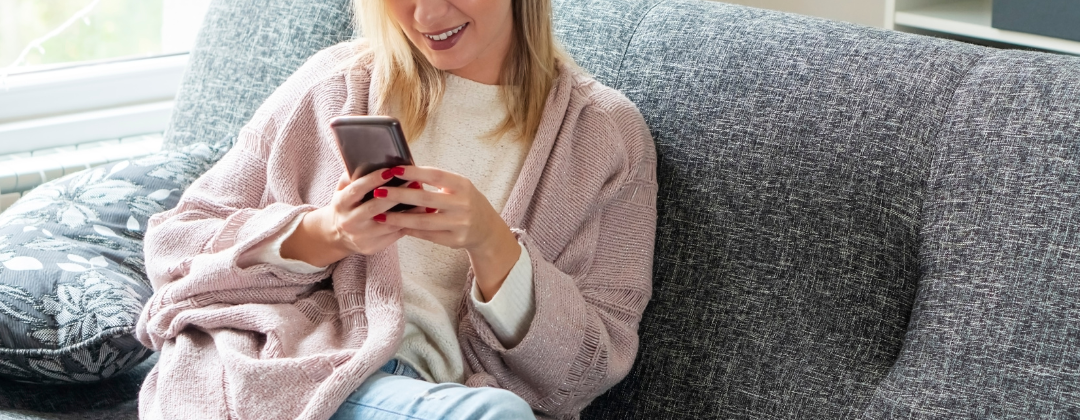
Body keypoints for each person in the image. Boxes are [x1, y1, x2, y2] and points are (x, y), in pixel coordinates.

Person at [136, 0, 657, 418]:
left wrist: (494, 246)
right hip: (292, 371)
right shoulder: (335, 84)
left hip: (448, 394)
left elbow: (592, 363)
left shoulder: (606, 136)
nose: (427, 17)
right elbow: (176, 245)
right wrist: (326, 233)